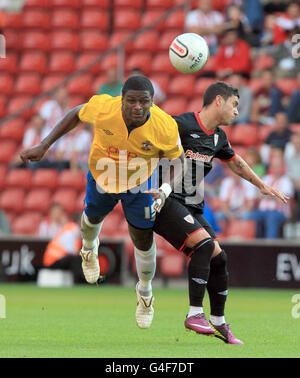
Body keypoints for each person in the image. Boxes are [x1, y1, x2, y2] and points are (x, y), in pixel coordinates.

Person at [20, 75, 186, 330]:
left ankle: (145, 293)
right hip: (102, 176)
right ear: (122, 100)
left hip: (140, 183)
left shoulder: (164, 125)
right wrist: (45, 145)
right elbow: (76, 113)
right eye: (131, 100)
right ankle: (88, 249)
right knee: (91, 221)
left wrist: (164, 189)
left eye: (144, 101)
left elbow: (179, 161)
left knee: (142, 238)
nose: (138, 106)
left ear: (152, 102)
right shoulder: (104, 107)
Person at [153, 81, 289, 344]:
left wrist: (261, 185)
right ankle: (194, 314)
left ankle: (218, 321)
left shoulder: (218, 137)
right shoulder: (179, 124)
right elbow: (148, 145)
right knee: (204, 246)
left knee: (219, 258)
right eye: (234, 104)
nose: (237, 111)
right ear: (219, 100)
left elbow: (235, 162)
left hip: (191, 204)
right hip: (167, 201)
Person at [43, 212, 84, 283]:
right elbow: (71, 250)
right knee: (76, 259)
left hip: (51, 260)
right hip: (53, 261)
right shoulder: (73, 229)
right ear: (79, 221)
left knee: (77, 258)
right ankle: (79, 281)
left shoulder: (70, 228)